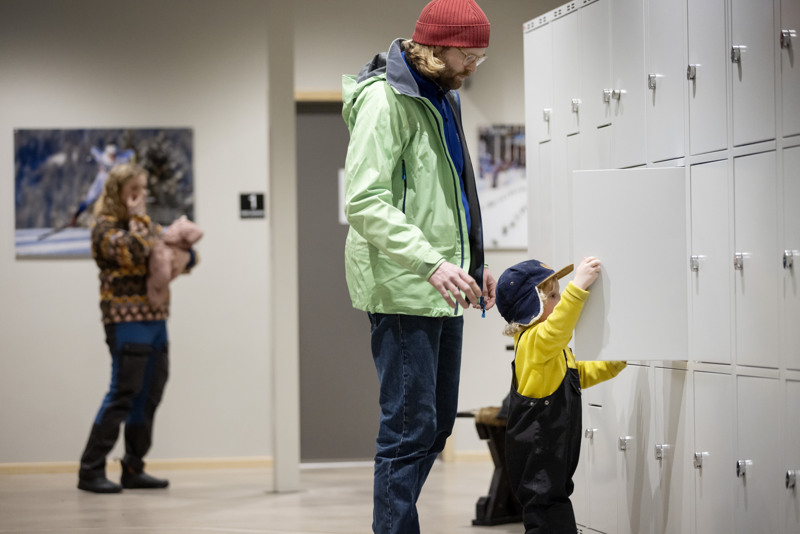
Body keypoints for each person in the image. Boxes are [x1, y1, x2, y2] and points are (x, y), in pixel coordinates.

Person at [341, 0, 496, 532]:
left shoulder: (443, 97)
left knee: (435, 427)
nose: (474, 66)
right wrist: (431, 263)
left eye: (482, 57)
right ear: (435, 47)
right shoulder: (386, 101)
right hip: (403, 283)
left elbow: (455, 194)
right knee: (409, 428)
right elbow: (363, 201)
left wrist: (474, 263)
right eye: (467, 55)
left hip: (443, 284)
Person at [77, 163, 198, 493]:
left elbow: (190, 256)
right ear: (117, 192)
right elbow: (135, 250)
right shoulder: (103, 228)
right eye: (134, 190)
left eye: (142, 190)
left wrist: (173, 249)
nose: (140, 197)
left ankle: (133, 467)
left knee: (149, 394)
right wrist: (142, 223)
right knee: (123, 393)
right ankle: (90, 470)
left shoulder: (140, 225)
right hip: (125, 322)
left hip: (157, 321)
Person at [495, 257, 626, 534]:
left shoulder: (550, 350)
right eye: (552, 295)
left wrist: (617, 360)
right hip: (538, 464)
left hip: (552, 468)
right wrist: (577, 287)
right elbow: (558, 329)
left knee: (555, 517)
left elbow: (576, 376)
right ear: (532, 305)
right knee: (548, 519)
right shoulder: (533, 342)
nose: (558, 300)